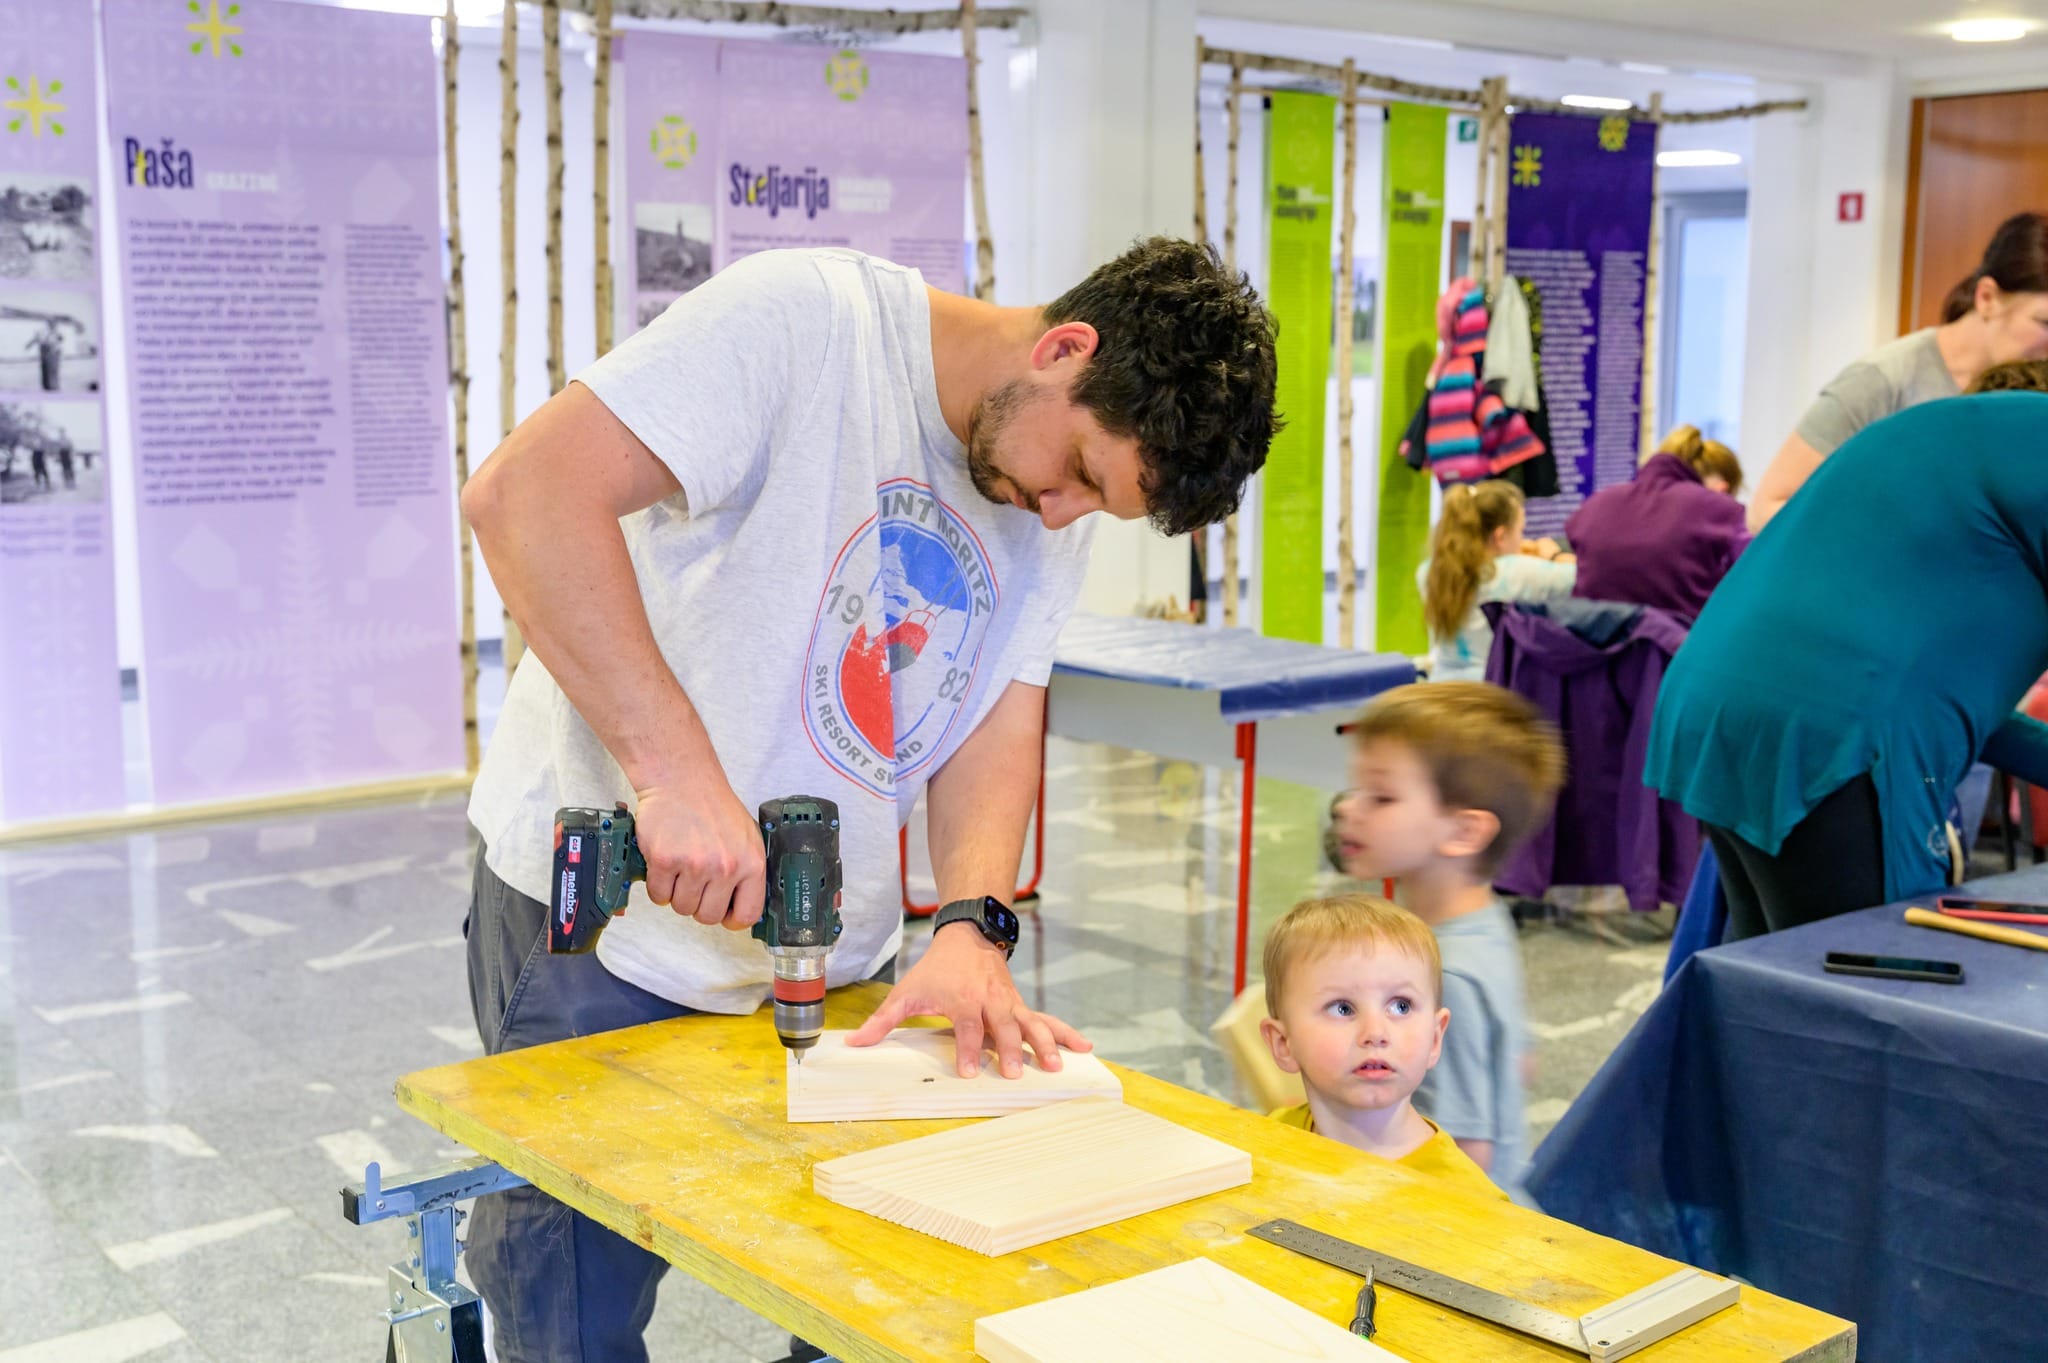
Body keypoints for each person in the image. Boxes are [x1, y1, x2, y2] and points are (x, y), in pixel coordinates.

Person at [458, 239, 1278, 1362]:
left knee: (865, 1294)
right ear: (1064, 348)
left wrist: (972, 923)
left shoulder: (1047, 498)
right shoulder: (804, 323)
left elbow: (996, 707)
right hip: (608, 930)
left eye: (1097, 503)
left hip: (826, 949)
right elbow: (525, 494)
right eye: (1081, 472)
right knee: (572, 1314)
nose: (1059, 514)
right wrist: (672, 774)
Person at [1646, 366, 2048, 941]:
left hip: (1712, 699)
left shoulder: (1950, 441)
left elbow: (1956, 700)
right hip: (1827, 738)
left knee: (1771, 970)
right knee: (1871, 974)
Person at [1329, 682, 1565, 1200]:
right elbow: (1520, 1062)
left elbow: (1463, 1154)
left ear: (1464, 832)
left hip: (1454, 1225)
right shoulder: (1484, 919)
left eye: (1381, 797)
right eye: (1356, 789)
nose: (1348, 809)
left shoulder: (1443, 973)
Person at [1748, 211, 2048, 530]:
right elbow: (1767, 508)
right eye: (2045, 323)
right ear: (1986, 298)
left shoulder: (2032, 395)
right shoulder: (1882, 380)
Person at [1260, 893, 1505, 1201]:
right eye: (1342, 1008)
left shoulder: (1472, 1204)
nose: (1375, 1033)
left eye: (1401, 1006)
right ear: (1284, 1044)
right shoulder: (1268, 1140)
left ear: (1434, 1038)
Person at [1564, 425, 1747, 622]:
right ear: (1722, 488)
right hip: (1677, 638)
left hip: (1589, 634)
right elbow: (1755, 578)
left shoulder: (1597, 502)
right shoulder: (1723, 511)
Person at [1419, 480, 1574, 681]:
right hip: (1493, 689)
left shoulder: (1429, 571)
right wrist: (1553, 555)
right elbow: (1588, 576)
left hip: (1442, 686)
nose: (1521, 539)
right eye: (1520, 531)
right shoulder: (1518, 572)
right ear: (1500, 536)